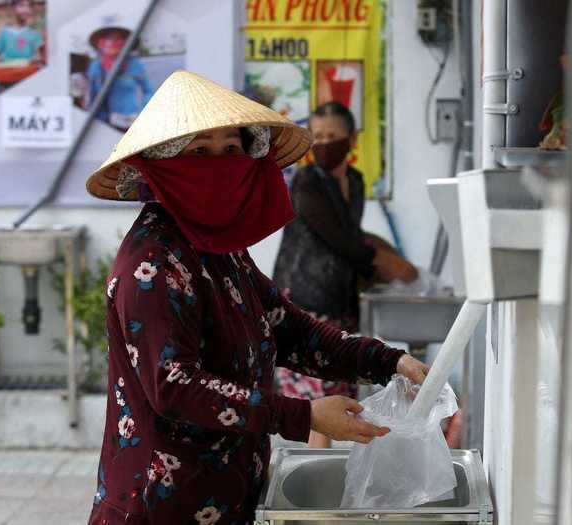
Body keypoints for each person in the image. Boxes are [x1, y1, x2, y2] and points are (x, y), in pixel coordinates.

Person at [85, 71, 428, 525]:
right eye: (199, 151)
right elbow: (175, 386)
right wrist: (302, 414)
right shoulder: (151, 264)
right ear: (161, 166)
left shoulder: (219, 247)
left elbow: (290, 329)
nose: (219, 164)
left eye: (231, 149)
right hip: (159, 507)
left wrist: (388, 362)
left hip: (228, 496)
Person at [272, 101, 419, 448]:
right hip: (304, 300)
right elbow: (344, 241)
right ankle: (316, 488)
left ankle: (326, 483)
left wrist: (377, 261)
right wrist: (382, 261)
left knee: (342, 399)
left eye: (333, 136)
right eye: (318, 136)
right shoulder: (307, 183)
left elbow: (352, 239)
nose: (324, 144)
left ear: (352, 139)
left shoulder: (354, 180)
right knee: (319, 409)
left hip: (341, 300)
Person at [86, 26, 153, 131]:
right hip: (102, 122)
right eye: (108, 38)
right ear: (101, 43)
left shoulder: (134, 64)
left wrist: (142, 112)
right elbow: (91, 95)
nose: (111, 43)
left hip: (130, 121)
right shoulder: (95, 66)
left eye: (117, 39)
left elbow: (149, 91)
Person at [0, 0, 43, 65]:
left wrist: (35, 59)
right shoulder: (4, 33)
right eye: (21, 6)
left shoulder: (35, 34)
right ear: (13, 8)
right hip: (7, 72)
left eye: (29, 6)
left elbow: (38, 56)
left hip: (27, 71)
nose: (26, 10)